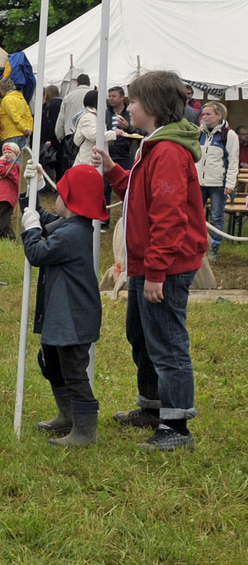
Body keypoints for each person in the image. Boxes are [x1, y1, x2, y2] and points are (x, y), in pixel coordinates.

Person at [92, 70, 208, 452]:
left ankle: (176, 426)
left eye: (136, 101)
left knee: (168, 342)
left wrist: (157, 271)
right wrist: (113, 170)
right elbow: (140, 195)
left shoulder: (170, 152)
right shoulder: (154, 147)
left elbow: (169, 214)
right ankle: (154, 405)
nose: (130, 106)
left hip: (165, 266)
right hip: (148, 263)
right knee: (142, 335)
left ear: (154, 108)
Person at [21, 164, 107, 447]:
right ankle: (67, 415)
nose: (53, 200)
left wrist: (31, 230)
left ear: (71, 201)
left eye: (57, 195)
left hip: (73, 318)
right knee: (51, 363)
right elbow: (47, 220)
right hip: (62, 315)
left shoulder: (72, 235)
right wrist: (29, 196)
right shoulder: (71, 225)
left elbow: (37, 252)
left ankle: (84, 430)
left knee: (73, 371)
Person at [196, 100, 239, 260]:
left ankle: (213, 250)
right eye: (203, 114)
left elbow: (233, 161)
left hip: (218, 184)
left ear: (219, 115)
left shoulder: (228, 135)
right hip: (198, 183)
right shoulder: (198, 133)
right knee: (195, 215)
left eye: (208, 114)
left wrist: (230, 183)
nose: (204, 117)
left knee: (216, 217)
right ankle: (196, 246)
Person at [0, 141, 21, 240]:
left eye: (9, 152)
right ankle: (10, 237)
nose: (6, 155)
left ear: (16, 154)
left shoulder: (14, 166)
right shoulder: (7, 165)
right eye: (4, 153)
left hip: (6, 196)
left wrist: (0, 161)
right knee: (5, 218)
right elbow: (1, 176)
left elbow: (2, 172)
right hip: (4, 195)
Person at [0, 76, 33, 150]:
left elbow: (14, 117)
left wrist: (24, 129)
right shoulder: (21, 98)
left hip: (10, 133)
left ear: (4, 88)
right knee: (20, 158)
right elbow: (28, 115)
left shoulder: (7, 99)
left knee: (11, 158)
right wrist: (28, 129)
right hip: (22, 134)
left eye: (0, 89)